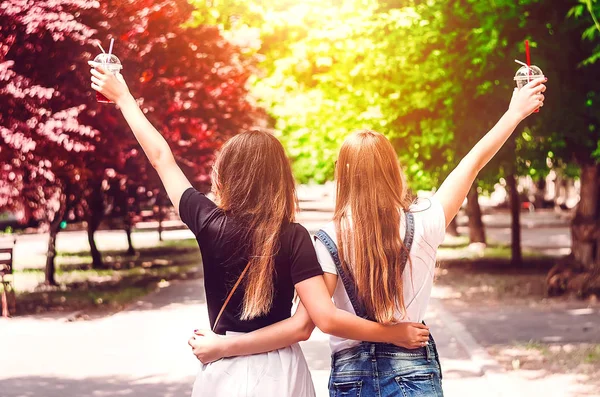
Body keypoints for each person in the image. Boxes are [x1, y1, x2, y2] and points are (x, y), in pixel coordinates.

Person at [186, 77, 547, 397]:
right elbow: (472, 163)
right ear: (394, 169)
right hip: (413, 370)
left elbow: (322, 318)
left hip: (350, 376)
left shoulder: (326, 238)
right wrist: (514, 113)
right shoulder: (425, 220)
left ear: (342, 176)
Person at [88, 63, 431, 397]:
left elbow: (161, 157)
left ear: (225, 175)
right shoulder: (294, 236)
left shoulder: (208, 222)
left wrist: (124, 98)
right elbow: (302, 325)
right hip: (281, 372)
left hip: (223, 370)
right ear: (281, 178)